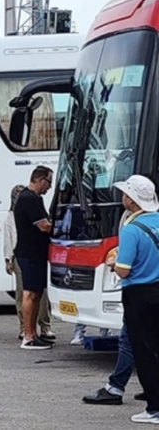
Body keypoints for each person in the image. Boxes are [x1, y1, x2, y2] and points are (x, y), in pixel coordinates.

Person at [108, 175, 159, 424]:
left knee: (144, 350)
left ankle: (155, 407)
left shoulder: (131, 230)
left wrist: (111, 263)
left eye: (126, 193)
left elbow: (124, 269)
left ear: (132, 199)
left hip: (140, 293)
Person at [11, 166, 56, 350]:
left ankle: (34, 333)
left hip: (37, 253)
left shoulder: (36, 198)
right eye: (48, 182)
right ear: (40, 180)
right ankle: (28, 335)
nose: (49, 187)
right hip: (28, 253)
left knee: (37, 293)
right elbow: (44, 226)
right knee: (29, 293)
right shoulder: (28, 198)